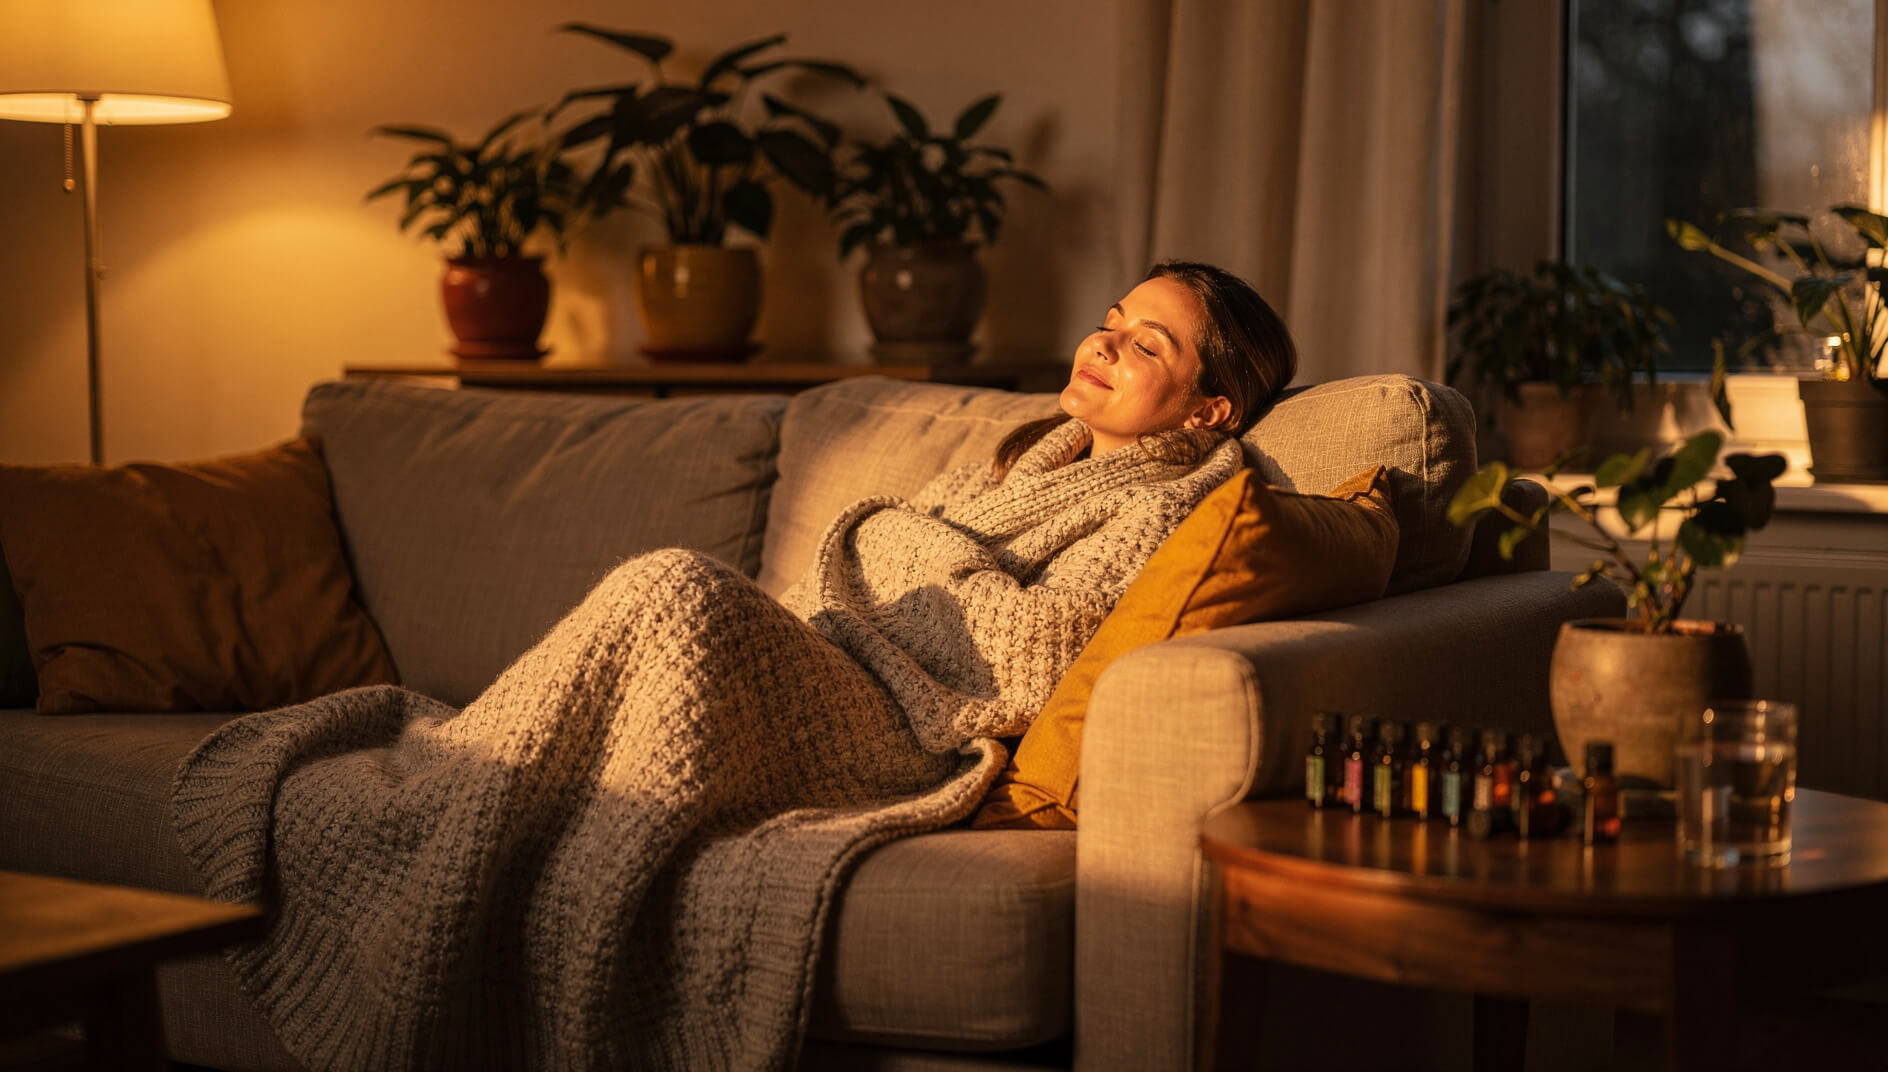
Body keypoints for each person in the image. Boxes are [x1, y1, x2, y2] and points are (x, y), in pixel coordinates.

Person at [171, 260, 1297, 1071]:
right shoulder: (1020, 461)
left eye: (1146, 344)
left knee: (674, 586)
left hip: (904, 730)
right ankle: (458, 777)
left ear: (1210, 408)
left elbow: (1033, 649)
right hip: (831, 661)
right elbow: (877, 572)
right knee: (663, 605)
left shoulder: (1171, 500)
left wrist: (899, 540)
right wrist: (904, 548)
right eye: (1110, 321)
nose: (1103, 343)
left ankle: (444, 792)